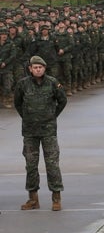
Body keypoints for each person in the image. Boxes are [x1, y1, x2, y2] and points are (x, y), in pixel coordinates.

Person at [14, 55, 68, 211]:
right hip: (30, 132)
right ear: (30, 69)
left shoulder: (52, 83)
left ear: (44, 68)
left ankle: (56, 197)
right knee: (31, 165)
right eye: (35, 68)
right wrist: (27, 117)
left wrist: (52, 116)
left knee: (52, 164)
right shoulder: (22, 84)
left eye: (40, 67)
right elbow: (18, 103)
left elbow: (62, 100)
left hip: (48, 130)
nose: (37, 70)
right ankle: (33, 199)